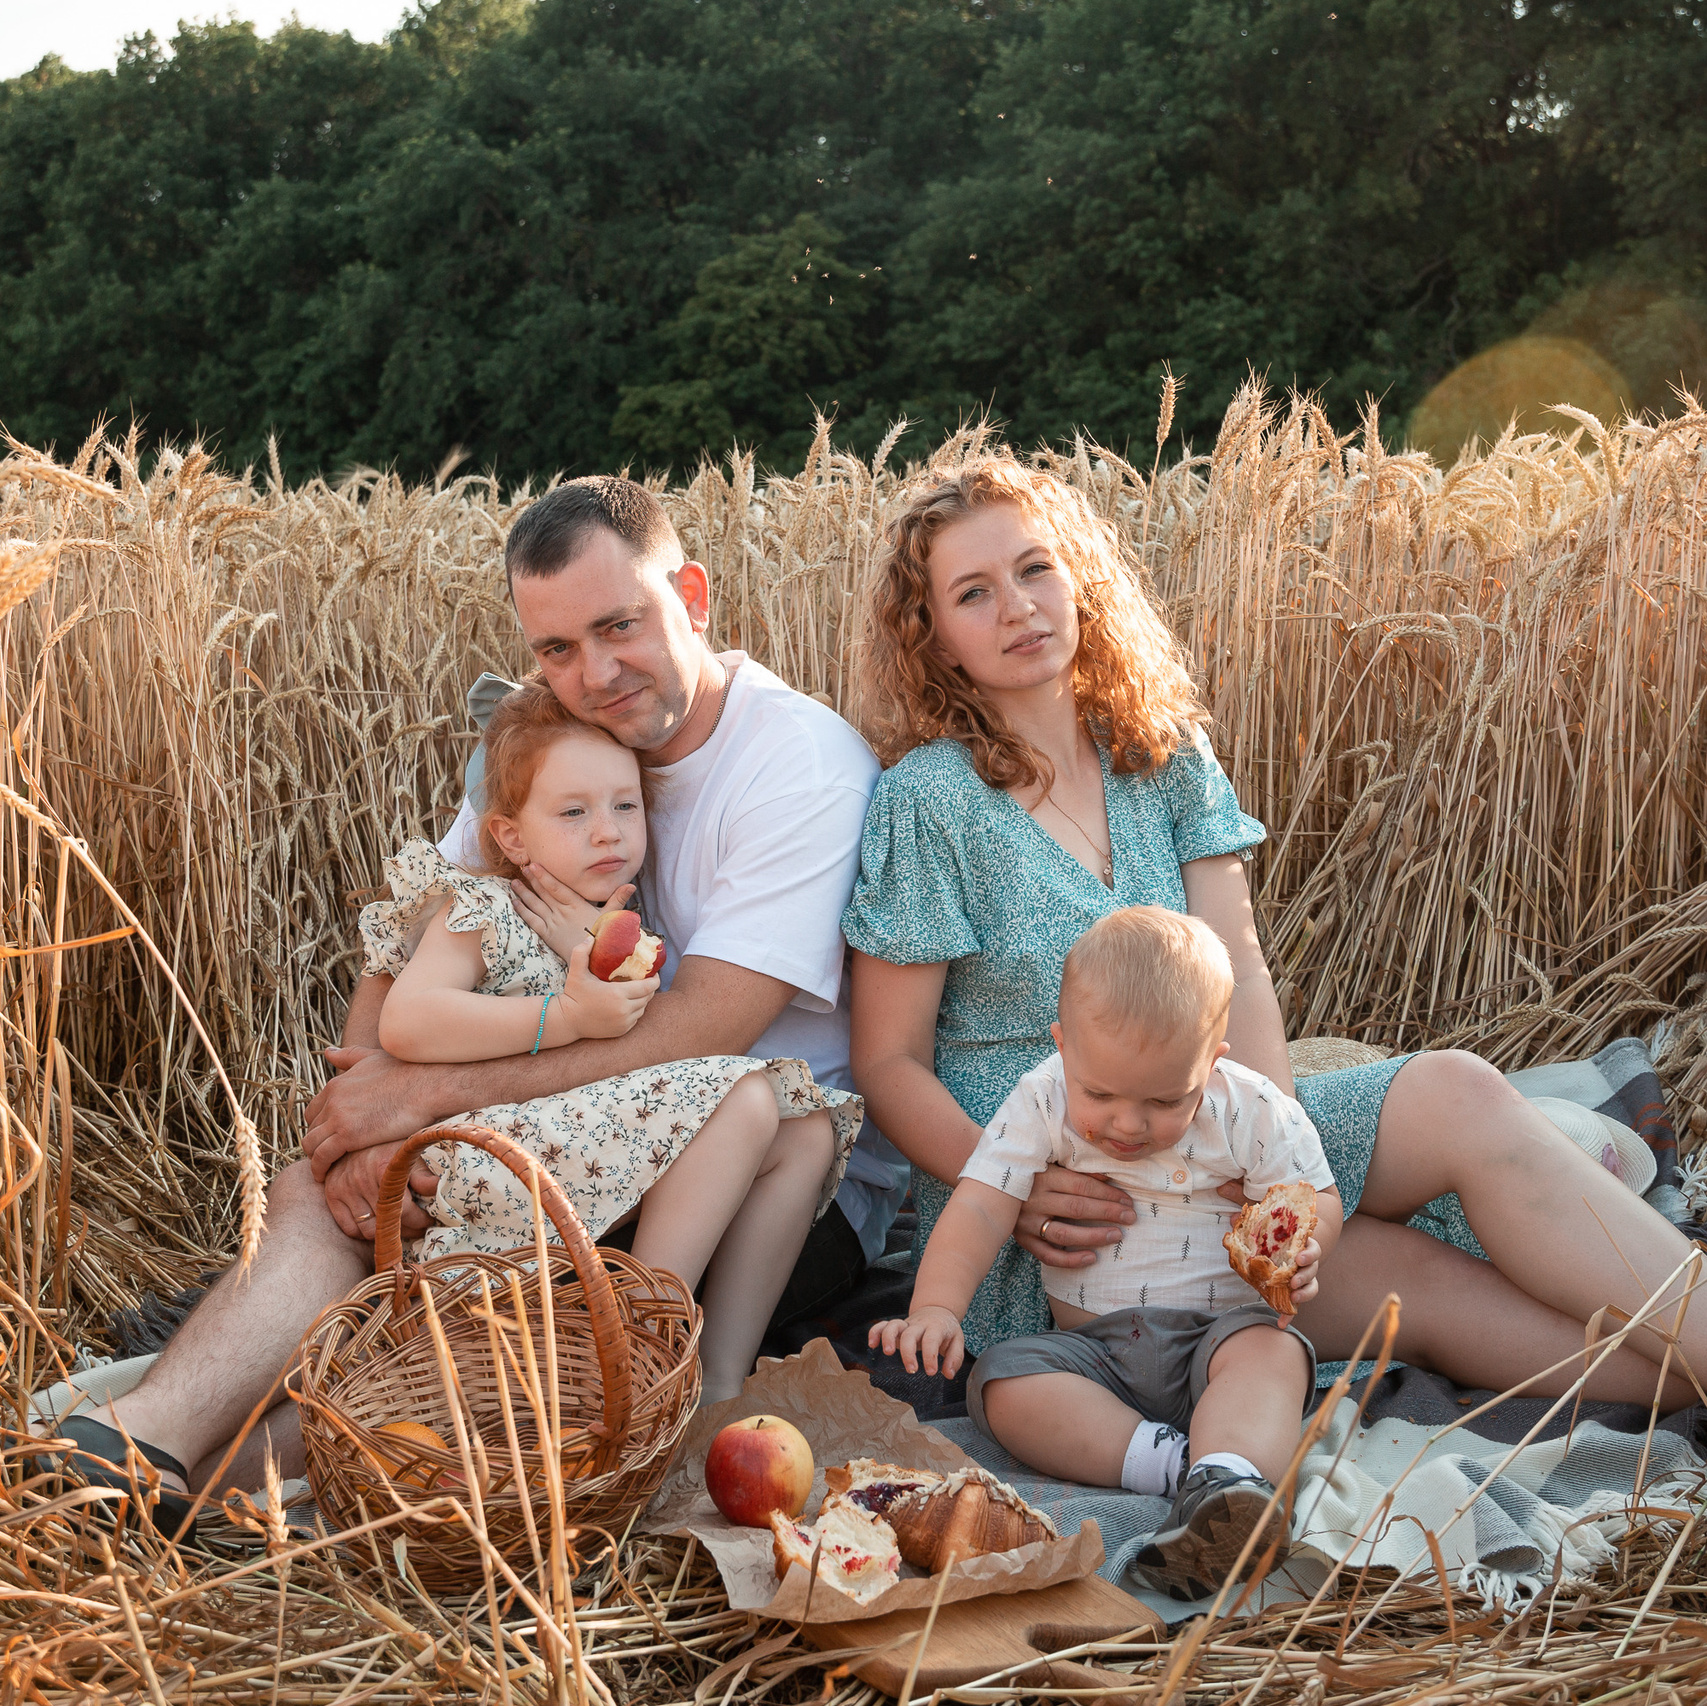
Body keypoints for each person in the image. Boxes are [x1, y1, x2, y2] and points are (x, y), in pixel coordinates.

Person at [37, 476, 904, 1531]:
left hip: (753, 1181)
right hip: (556, 1127)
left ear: (693, 594)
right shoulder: (549, 740)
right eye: (555, 648)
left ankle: (226, 1488)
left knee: (498, 1288)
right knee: (329, 1193)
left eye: (620, 626)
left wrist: (422, 1097)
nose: (594, 673)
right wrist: (365, 1117)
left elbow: (708, 1024)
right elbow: (422, 922)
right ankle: (140, 1440)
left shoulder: (798, 765)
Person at [843, 453, 1700, 1414]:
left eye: (1034, 568)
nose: (1017, 606)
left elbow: (1239, 973)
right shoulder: (928, 802)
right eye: (972, 593)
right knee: (1417, 1282)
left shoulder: (1157, 752)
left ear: (1077, 577)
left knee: (1455, 1089)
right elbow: (888, 1061)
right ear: (936, 639)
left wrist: (1273, 1173)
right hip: (1071, 1204)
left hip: (1211, 1119)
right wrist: (1016, 1193)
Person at [362, 678, 857, 1401]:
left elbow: (639, 1031)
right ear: (509, 835)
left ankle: (716, 1382)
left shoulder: (610, 923)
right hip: (484, 1150)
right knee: (746, 1098)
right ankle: (633, 1364)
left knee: (806, 1130)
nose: (608, 831)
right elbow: (406, 1021)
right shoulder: (484, 907)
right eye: (573, 813)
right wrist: (562, 1014)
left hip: (573, 1136)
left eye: (625, 807)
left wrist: (587, 948)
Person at [871, 906, 1340, 1598]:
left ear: (1213, 1061)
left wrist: (1304, 1247)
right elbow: (980, 1201)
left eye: (1163, 1100)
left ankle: (1235, 1478)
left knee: (1272, 1354)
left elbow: (1314, 1198)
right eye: (1100, 1094)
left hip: (1220, 1338)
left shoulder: (1249, 1107)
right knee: (1002, 1382)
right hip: (1094, 1356)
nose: (1126, 1122)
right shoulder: (1041, 1097)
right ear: (1062, 1046)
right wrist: (936, 1306)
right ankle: (1184, 1471)